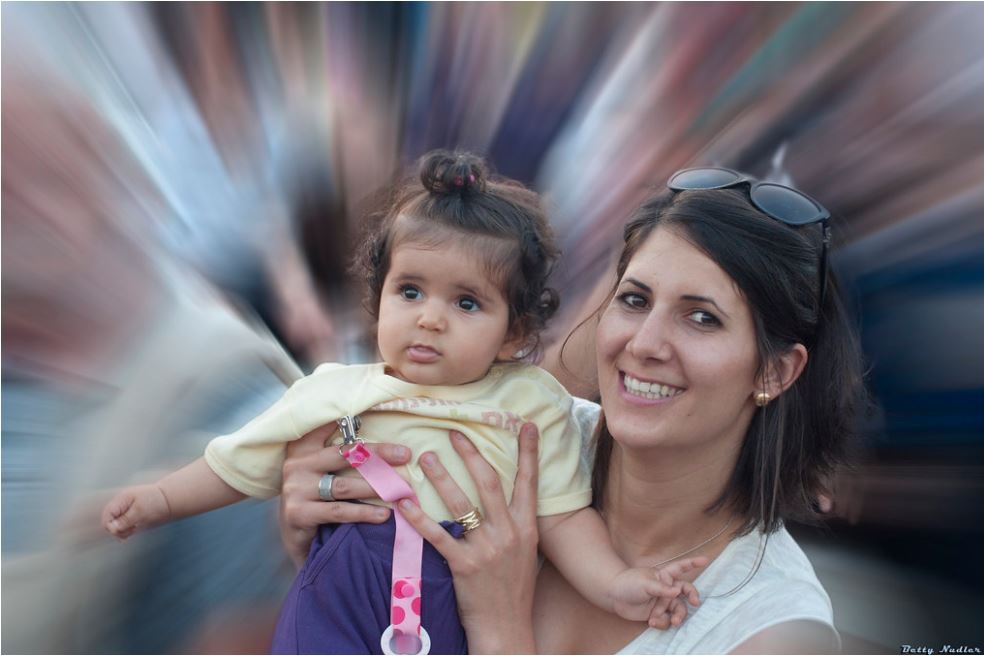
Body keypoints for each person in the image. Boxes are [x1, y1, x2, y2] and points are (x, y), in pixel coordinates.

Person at [102, 151, 706, 655]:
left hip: (457, 594)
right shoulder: (336, 390)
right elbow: (237, 460)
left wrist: (617, 585)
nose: (430, 319)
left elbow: (564, 518)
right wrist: (158, 500)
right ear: (378, 299)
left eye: (466, 303)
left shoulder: (532, 403)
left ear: (515, 333)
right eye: (410, 291)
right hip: (339, 588)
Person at [279, 166, 865, 653]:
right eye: (634, 300)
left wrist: (501, 628)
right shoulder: (520, 432)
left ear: (774, 372)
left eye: (701, 318)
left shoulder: (776, 632)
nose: (645, 344)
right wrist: (320, 523)